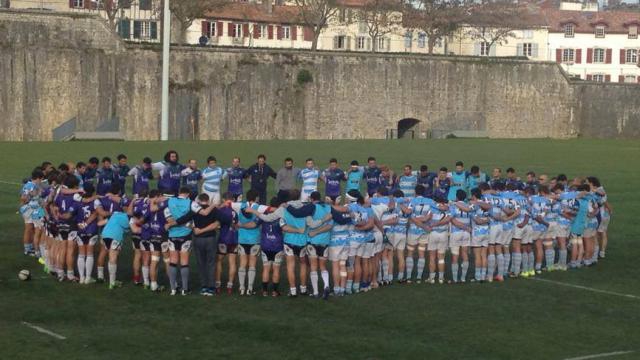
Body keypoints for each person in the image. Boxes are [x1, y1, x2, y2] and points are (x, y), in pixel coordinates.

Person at [175, 193, 220, 296]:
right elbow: (219, 222)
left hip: (198, 240)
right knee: (211, 263)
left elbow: (183, 220)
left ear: (199, 201)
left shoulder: (195, 210)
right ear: (208, 201)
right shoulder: (213, 210)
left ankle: (204, 287)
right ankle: (211, 288)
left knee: (201, 264)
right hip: (210, 239)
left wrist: (193, 228)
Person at [164, 187, 194, 295]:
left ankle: (173, 288)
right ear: (187, 194)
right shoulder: (190, 203)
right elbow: (193, 218)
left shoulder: (170, 201)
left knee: (173, 261)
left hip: (172, 235)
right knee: (184, 262)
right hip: (185, 235)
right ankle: (184, 289)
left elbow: (167, 215)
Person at [234, 189, 264, 295]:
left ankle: (242, 288)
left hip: (242, 239)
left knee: (242, 263)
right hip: (255, 239)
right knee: (252, 264)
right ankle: (250, 289)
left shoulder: (239, 206)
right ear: (256, 198)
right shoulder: (258, 207)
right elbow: (255, 224)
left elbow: (229, 205)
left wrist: (239, 225)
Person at [305, 191, 333, 298]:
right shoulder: (328, 208)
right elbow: (329, 226)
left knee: (313, 266)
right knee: (322, 266)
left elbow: (310, 224)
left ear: (311, 199)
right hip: (324, 241)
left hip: (312, 241)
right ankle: (326, 285)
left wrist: (315, 232)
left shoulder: (310, 208)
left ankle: (316, 292)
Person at [405, 185, 433, 283]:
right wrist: (423, 220)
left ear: (415, 192)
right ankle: (419, 277)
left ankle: (408, 277)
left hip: (413, 230)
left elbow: (409, 215)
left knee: (410, 253)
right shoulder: (430, 201)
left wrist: (416, 219)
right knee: (421, 254)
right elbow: (429, 217)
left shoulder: (412, 201)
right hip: (425, 231)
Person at [101, 210, 136, 289]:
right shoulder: (129, 218)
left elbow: (100, 223)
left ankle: (112, 281)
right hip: (115, 236)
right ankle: (112, 283)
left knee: (112, 257)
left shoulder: (115, 215)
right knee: (113, 258)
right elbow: (133, 229)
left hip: (104, 235)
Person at [259, 197, 285, 297]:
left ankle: (265, 291)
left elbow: (255, 224)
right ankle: (275, 292)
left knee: (266, 268)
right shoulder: (280, 216)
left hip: (265, 246)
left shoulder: (264, 215)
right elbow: (284, 229)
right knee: (276, 269)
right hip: (277, 246)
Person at [76, 183, 100, 284]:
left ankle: (81, 278)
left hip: (80, 228)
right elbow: (96, 213)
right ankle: (88, 278)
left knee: (81, 254)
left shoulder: (77, 199)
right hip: (91, 228)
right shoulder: (96, 201)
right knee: (89, 254)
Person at [216, 192, 239, 295]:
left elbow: (216, 224)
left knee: (218, 261)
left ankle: (218, 285)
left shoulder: (221, 210)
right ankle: (230, 286)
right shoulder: (237, 210)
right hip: (234, 239)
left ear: (223, 199)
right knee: (232, 262)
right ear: (233, 200)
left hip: (223, 238)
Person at [19, 168, 45, 256]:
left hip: (31, 210)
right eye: (41, 179)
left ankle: (31, 248)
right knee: (29, 229)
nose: (41, 181)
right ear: (38, 178)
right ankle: (28, 249)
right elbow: (23, 197)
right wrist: (30, 197)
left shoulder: (32, 185)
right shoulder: (30, 186)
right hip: (29, 210)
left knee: (32, 229)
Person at [449, 190, 472, 283]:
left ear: (457, 197)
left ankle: (455, 279)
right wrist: (467, 228)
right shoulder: (468, 207)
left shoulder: (453, 206)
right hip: (466, 233)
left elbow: (451, 219)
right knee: (465, 254)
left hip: (456, 232)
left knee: (455, 256)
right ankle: (463, 278)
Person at [426, 195, 450, 284]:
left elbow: (427, 218)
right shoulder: (447, 208)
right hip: (443, 234)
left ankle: (431, 278)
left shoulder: (432, 208)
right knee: (441, 258)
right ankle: (441, 278)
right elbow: (448, 219)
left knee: (432, 257)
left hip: (433, 233)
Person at [470, 188, 490, 282]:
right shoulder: (486, 204)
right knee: (484, 255)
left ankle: (478, 277)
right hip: (486, 231)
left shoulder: (473, 205)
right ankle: (483, 275)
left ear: (473, 195)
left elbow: (477, 221)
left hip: (477, 232)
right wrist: (485, 221)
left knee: (478, 255)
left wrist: (480, 221)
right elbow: (490, 218)